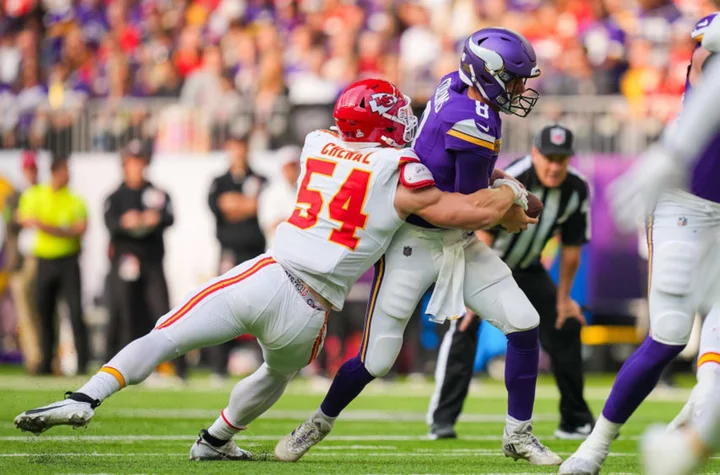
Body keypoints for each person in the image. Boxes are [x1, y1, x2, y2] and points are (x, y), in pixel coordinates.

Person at [13, 78, 530, 462]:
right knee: (276, 373)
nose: (405, 126)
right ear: (383, 127)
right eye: (396, 118)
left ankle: (87, 396)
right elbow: (460, 211)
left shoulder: (313, 144)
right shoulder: (400, 170)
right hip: (312, 310)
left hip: (268, 275)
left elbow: (356, 150)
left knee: (166, 334)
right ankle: (216, 439)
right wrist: (507, 188)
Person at [276, 28, 562, 466]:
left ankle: (518, 435)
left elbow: (470, 178)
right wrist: (512, 200)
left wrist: (504, 187)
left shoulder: (455, 84)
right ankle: (315, 423)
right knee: (376, 360)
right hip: (416, 240)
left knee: (524, 323)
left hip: (457, 240)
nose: (522, 90)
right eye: (515, 80)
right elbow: (473, 208)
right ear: (488, 75)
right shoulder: (475, 121)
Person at [560, 10, 720, 475]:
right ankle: (595, 445)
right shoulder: (708, 66)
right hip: (685, 205)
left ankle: (690, 440)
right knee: (669, 334)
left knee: (714, 360)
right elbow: (709, 50)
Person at [426, 124, 593, 441]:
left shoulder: (576, 188)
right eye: (549, 158)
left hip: (527, 267)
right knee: (463, 327)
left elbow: (571, 249)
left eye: (562, 159)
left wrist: (563, 300)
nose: (555, 166)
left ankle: (575, 419)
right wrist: (476, 294)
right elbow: (483, 230)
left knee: (565, 324)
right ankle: (442, 420)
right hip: (482, 259)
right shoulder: (515, 179)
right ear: (535, 154)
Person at [17, 153, 88, 375]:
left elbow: (80, 228)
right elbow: (24, 218)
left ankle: (82, 362)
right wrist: (61, 230)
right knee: (45, 313)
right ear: (56, 172)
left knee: (75, 312)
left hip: (69, 260)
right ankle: (46, 362)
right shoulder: (38, 195)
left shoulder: (74, 199)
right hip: (45, 261)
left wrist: (48, 227)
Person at [104, 140, 174, 357]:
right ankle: (122, 362)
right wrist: (127, 222)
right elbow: (110, 223)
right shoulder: (115, 197)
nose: (136, 167)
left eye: (140, 162)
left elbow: (169, 216)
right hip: (126, 260)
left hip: (152, 260)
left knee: (162, 311)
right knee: (125, 311)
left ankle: (174, 365)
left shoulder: (157, 192)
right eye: (132, 162)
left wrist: (153, 219)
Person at [207, 130, 266, 381]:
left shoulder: (261, 179)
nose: (238, 151)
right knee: (223, 306)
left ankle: (268, 366)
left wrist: (237, 204)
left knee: (263, 308)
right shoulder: (219, 181)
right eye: (234, 146)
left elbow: (259, 206)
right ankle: (219, 366)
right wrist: (246, 205)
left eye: (242, 146)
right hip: (229, 253)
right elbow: (221, 207)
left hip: (257, 253)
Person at [6, 151, 42, 373]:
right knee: (25, 312)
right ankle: (34, 357)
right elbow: (10, 223)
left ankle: (48, 354)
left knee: (43, 308)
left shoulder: (43, 194)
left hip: (41, 258)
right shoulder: (14, 196)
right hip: (20, 260)